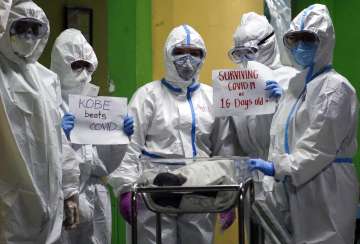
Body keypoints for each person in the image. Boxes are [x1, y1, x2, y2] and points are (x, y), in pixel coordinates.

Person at [108, 24, 237, 244]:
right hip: (155, 193)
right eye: (179, 52)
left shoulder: (213, 97)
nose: (187, 59)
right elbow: (130, 147)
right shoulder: (148, 95)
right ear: (168, 54)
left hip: (201, 191)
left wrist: (228, 191)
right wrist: (125, 189)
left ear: (203, 56)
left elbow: (224, 149)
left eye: (195, 53)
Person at [248, 4, 359, 244]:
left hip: (326, 188)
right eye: (294, 40)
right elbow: (283, 135)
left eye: (308, 39)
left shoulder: (335, 88)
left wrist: (277, 168)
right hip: (298, 186)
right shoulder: (296, 89)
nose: (300, 47)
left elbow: (318, 146)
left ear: (325, 41)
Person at [51, 28, 133, 244]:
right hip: (62, 195)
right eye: (76, 65)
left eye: (88, 66)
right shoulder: (48, 104)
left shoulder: (95, 107)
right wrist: (60, 136)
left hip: (96, 195)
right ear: (61, 63)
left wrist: (119, 139)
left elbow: (102, 165)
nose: (83, 72)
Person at [0, 0, 64, 243]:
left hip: (50, 201)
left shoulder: (48, 79)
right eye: (21, 27)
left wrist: (68, 193)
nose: (28, 36)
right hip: (10, 199)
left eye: (34, 29)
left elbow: (60, 142)